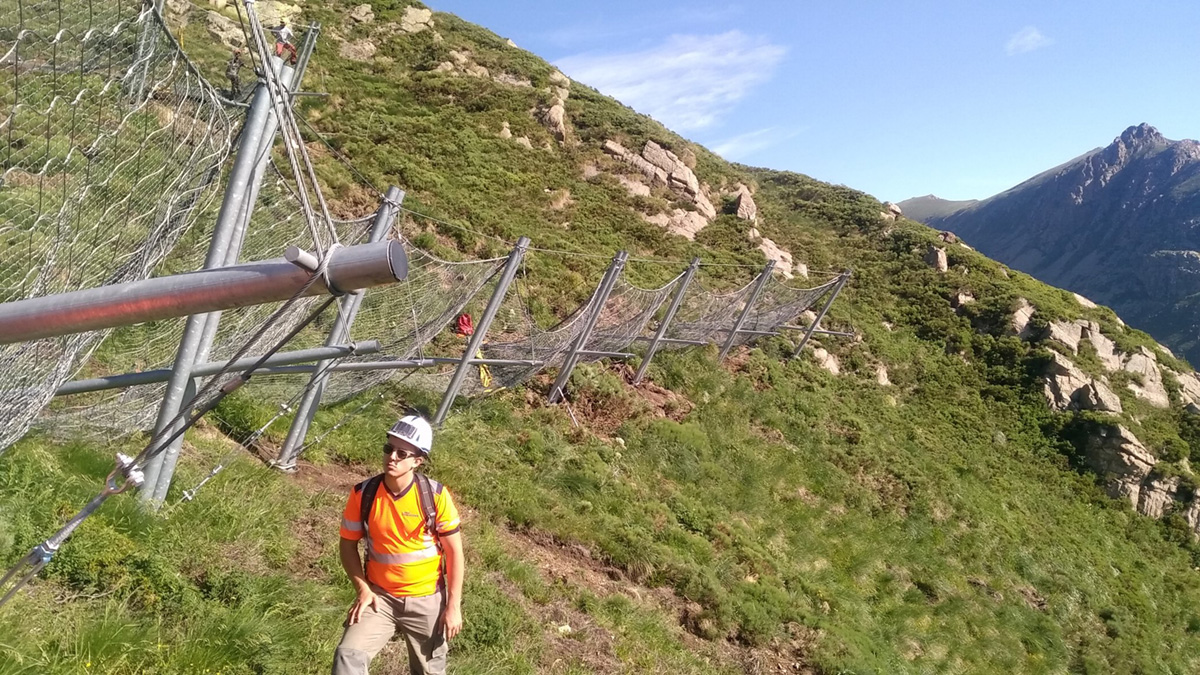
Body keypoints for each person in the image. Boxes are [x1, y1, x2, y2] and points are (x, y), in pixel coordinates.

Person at [332, 414, 464, 675]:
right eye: (388, 449)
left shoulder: (435, 496)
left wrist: (453, 606)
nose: (391, 457)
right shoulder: (363, 494)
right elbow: (347, 546)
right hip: (379, 599)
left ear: (418, 461)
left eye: (402, 453)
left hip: (427, 601)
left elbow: (455, 553)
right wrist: (363, 589)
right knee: (347, 657)